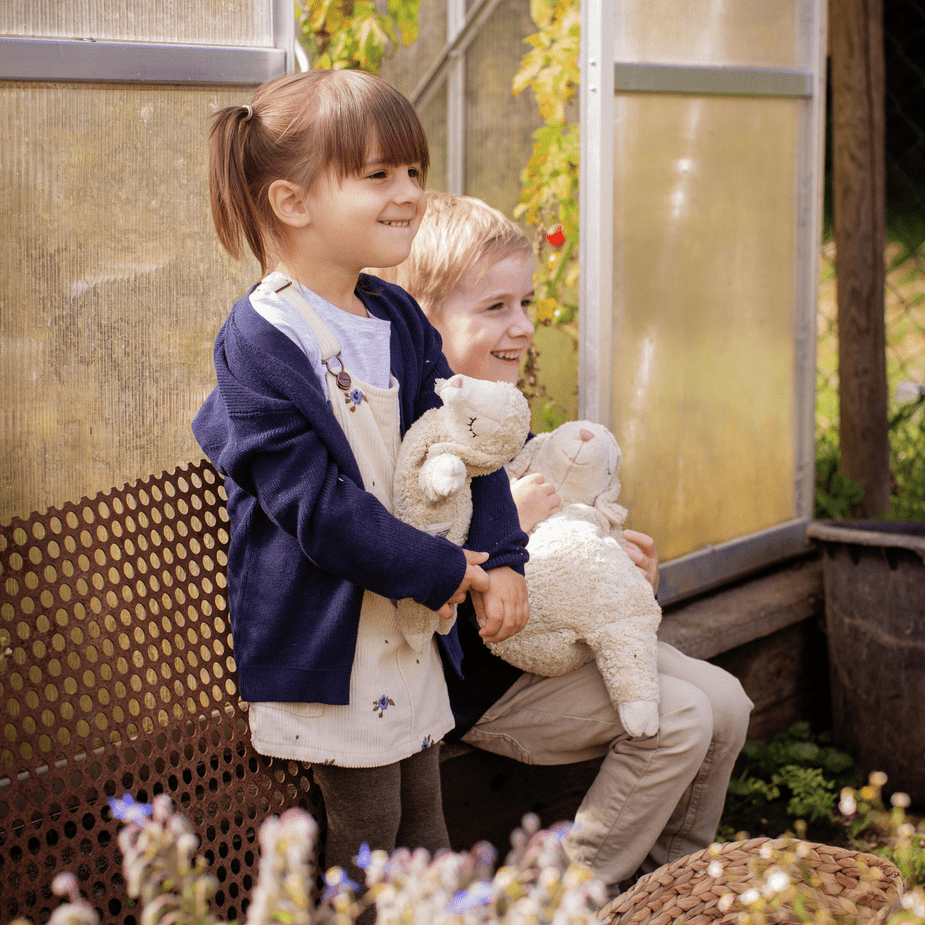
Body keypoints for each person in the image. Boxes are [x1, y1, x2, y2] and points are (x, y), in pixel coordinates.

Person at [192, 73, 529, 905]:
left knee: (426, 821)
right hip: (329, 638)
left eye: (412, 172)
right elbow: (315, 507)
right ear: (292, 202)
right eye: (379, 176)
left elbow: (460, 440)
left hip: (408, 622)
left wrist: (509, 555)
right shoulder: (263, 339)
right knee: (368, 837)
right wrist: (449, 569)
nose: (410, 194)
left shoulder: (394, 314)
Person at [378, 190, 754, 899]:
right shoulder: (422, 435)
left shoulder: (503, 416)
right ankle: (551, 903)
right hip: (482, 685)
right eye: (494, 308)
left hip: (555, 648)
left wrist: (620, 561)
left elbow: (565, 549)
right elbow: (413, 561)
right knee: (677, 718)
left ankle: (667, 889)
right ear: (426, 319)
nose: (520, 327)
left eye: (524, 303)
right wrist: (507, 529)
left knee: (726, 700)